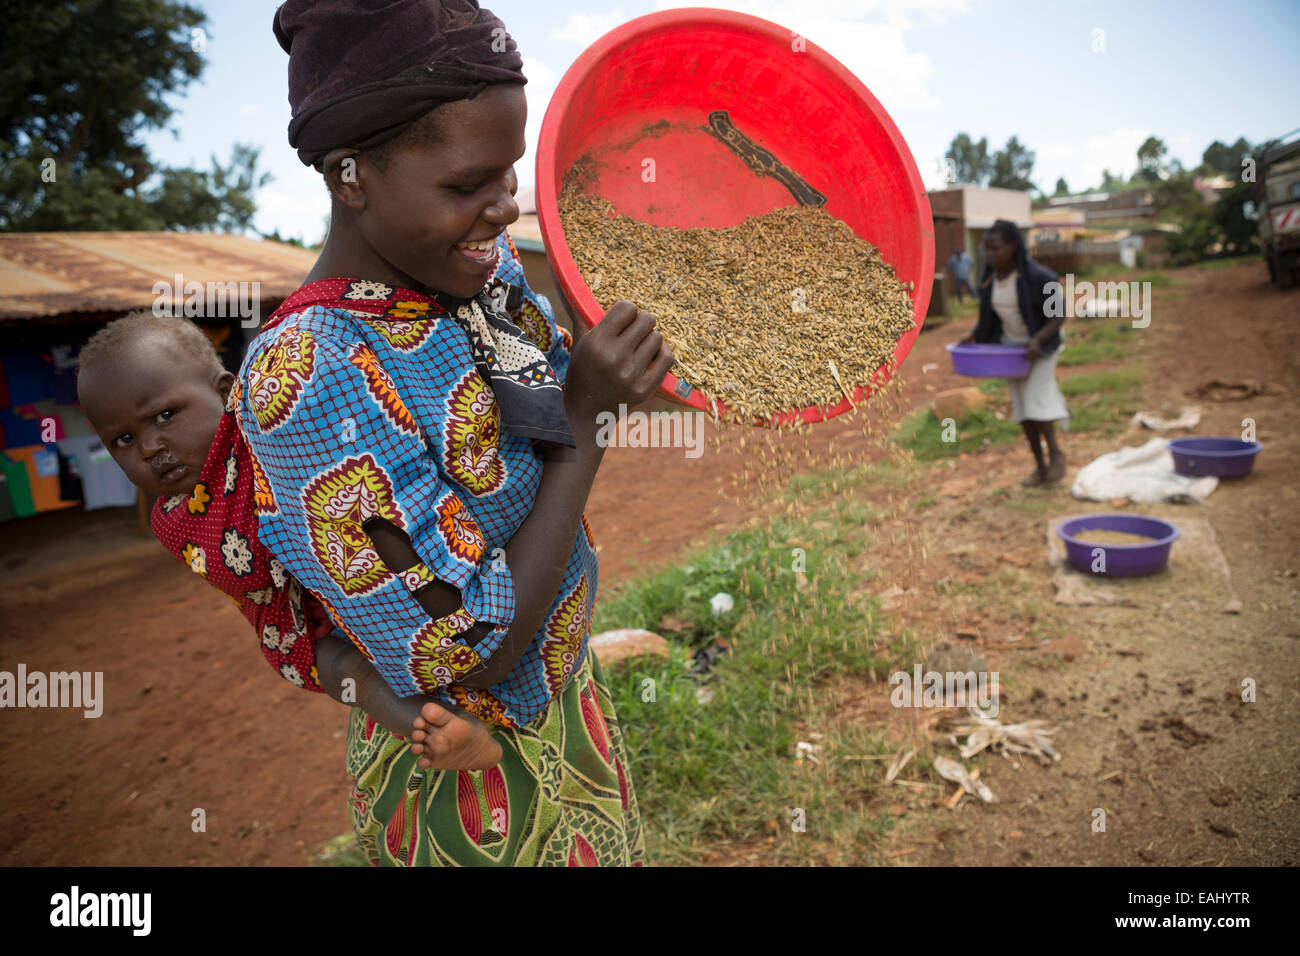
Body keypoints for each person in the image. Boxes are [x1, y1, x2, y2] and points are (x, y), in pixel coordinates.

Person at [231, 0, 675, 866]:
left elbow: (548, 426)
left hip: (563, 694)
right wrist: (589, 419)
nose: (503, 210)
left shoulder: (482, 276)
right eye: (467, 185)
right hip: (465, 775)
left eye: (508, 175)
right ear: (350, 176)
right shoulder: (309, 380)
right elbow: (466, 649)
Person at [76, 312, 504, 771]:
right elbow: (253, 570)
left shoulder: (271, 434)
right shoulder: (174, 518)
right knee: (352, 674)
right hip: (304, 627)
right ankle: (439, 729)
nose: (149, 447)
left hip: (369, 584)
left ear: (225, 393)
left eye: (165, 415)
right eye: (123, 439)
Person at [959, 219, 1069, 486]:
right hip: (1011, 350)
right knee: (1022, 409)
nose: (990, 255)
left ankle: (1056, 455)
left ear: (1013, 247)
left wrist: (1037, 341)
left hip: (1041, 347)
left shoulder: (1041, 276)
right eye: (987, 249)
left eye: (996, 249)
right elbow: (988, 318)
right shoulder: (988, 278)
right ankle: (1040, 468)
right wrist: (973, 336)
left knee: (1034, 401)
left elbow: (1059, 315)